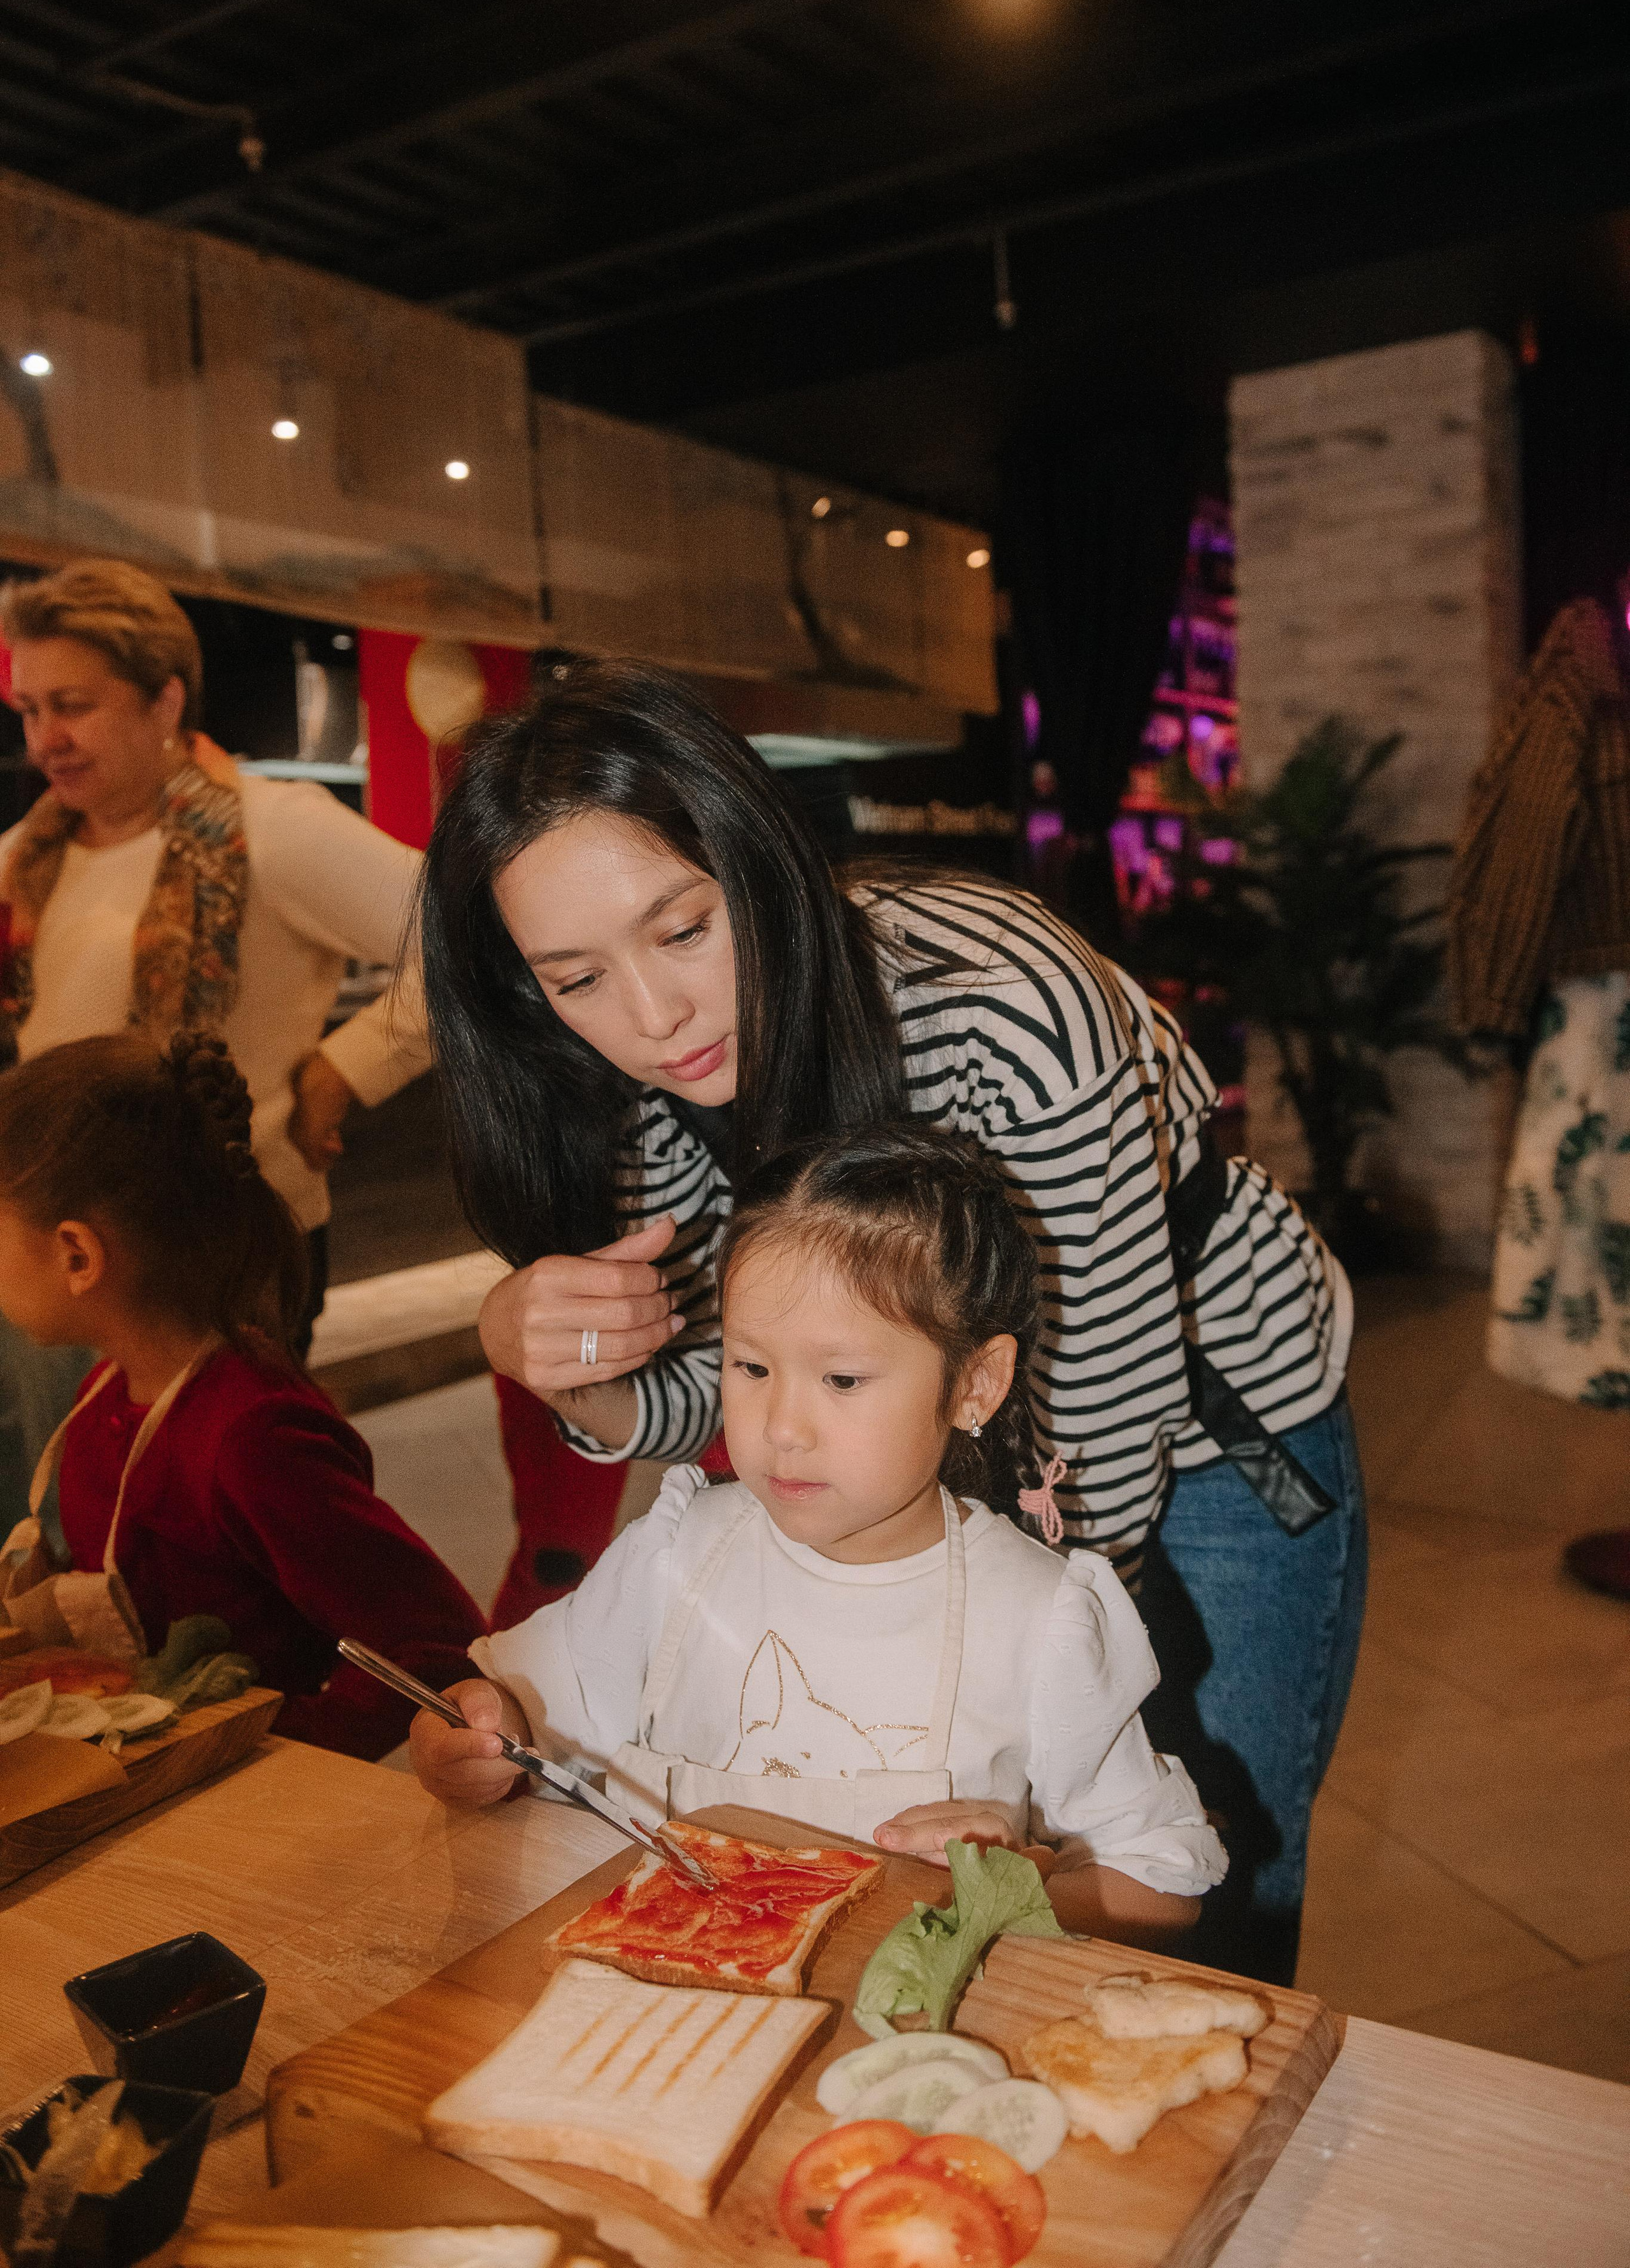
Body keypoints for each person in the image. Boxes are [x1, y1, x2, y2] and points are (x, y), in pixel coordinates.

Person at [418, 658, 1363, 1980]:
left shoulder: (1002, 1006)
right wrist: (578, 1378)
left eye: (683, 930)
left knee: (1205, 1891)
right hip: (941, 1434)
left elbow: (1099, 1405)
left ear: (752, 859)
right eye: (574, 979)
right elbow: (733, 1383)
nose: (653, 1018)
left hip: (1200, 1427)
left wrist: (1043, 1737)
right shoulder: (627, 1087)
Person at [412, 1125, 1224, 1936]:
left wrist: (997, 1893)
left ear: (975, 1383)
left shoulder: (1037, 1618)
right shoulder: (677, 1554)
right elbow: (505, 1710)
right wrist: (470, 1744)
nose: (782, 1427)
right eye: (751, 1367)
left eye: (841, 1379)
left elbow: (1159, 1885)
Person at [0, 558, 430, 1525]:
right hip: (53, 1264)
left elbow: (469, 948)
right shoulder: (27, 859)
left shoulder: (271, 832)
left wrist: (346, 1067)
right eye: (29, 711)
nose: (46, 741)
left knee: (212, 1538)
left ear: (165, 699)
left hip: (219, 1259)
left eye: (73, 705)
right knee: (75, 1536)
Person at [0, 1032, 484, 1760]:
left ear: (77, 1255)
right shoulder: (108, 1387)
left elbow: (432, 1643)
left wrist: (261, 1749)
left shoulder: (250, 1434)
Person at [1449, 593, 1630, 1600]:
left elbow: (1518, 849)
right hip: (1608, 1011)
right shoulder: (1585, 688)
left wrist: (1491, 999)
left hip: (1611, 1020)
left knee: (1607, 1255)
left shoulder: (1573, 699)